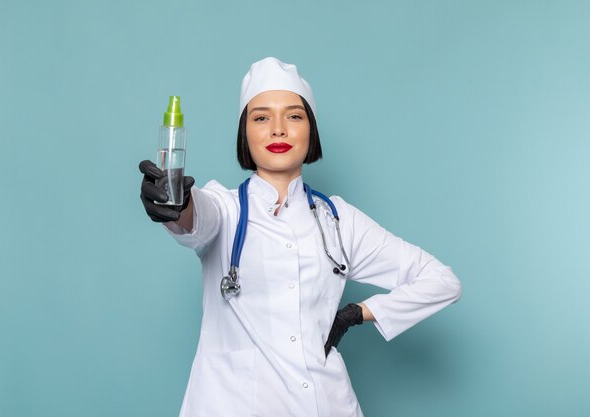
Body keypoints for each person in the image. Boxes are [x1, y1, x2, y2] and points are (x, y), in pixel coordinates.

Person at [139, 57, 462, 417]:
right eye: (261, 117)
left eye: (294, 116)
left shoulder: (338, 219)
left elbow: (441, 281)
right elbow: (195, 217)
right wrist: (175, 204)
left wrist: (358, 313)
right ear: (245, 132)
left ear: (311, 129)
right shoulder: (226, 208)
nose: (278, 129)